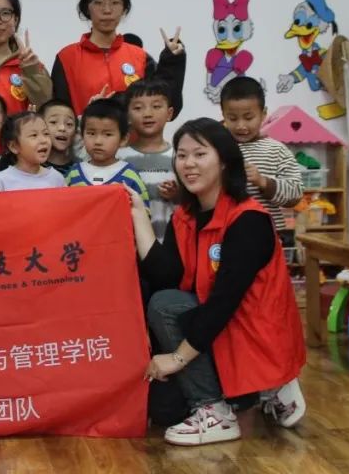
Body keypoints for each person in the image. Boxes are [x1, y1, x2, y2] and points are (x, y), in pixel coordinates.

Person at [135, 118, 306, 446]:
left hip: (247, 329)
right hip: (215, 326)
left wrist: (177, 359)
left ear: (225, 161)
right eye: (181, 155)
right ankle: (262, 388)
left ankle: (217, 410)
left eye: (200, 154)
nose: (188, 164)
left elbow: (224, 303)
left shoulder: (248, 219)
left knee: (169, 307)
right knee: (165, 409)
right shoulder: (185, 216)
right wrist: (136, 214)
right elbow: (166, 275)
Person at [51, 0, 186, 116]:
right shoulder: (67, 57)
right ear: (86, 8)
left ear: (124, 9)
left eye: (115, 2)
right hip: (85, 131)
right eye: (98, 2)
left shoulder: (140, 57)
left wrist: (172, 61)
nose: (107, 10)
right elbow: (58, 114)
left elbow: (166, 107)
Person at [219, 77, 303, 234]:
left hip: (267, 235)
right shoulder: (217, 148)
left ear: (263, 114)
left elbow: (296, 194)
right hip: (224, 233)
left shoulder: (276, 150)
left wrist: (263, 182)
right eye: (232, 118)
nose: (241, 125)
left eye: (248, 118)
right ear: (223, 114)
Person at [118, 80, 178, 242]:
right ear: (127, 116)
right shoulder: (118, 157)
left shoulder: (179, 157)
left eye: (156, 106)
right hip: (129, 246)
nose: (148, 113)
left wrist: (177, 194)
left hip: (167, 245)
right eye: (138, 108)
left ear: (169, 113)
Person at [65, 99, 149, 202]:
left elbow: (144, 210)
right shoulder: (73, 174)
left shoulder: (130, 175)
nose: (98, 141)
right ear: (82, 135)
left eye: (107, 134)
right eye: (91, 133)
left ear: (123, 139)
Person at [0, 112, 66, 192]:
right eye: (34, 135)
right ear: (13, 146)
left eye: (46, 133)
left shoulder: (57, 179)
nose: (43, 140)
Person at [40, 99, 79, 177]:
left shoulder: (80, 170)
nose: (62, 128)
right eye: (53, 122)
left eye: (69, 124)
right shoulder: (31, 167)